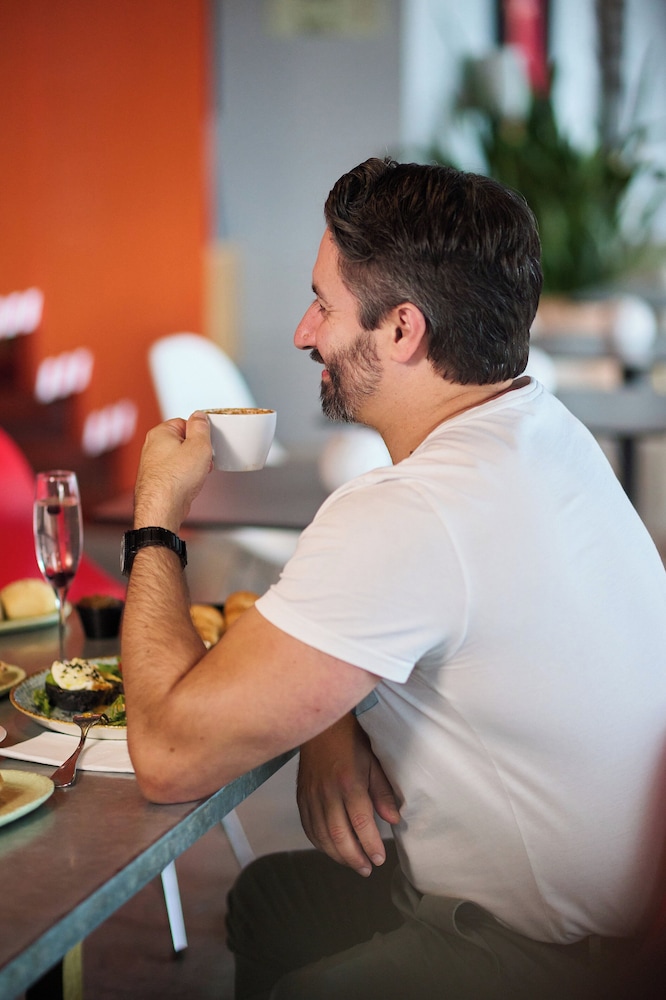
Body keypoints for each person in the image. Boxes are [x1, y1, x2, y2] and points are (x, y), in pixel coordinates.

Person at [121, 157, 666, 1000]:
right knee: (272, 901)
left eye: (325, 305)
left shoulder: (409, 513)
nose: (305, 333)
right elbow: (427, 621)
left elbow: (164, 754)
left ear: (403, 330)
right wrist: (326, 719)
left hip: (544, 962)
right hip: (622, 921)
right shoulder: (542, 428)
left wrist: (156, 515)